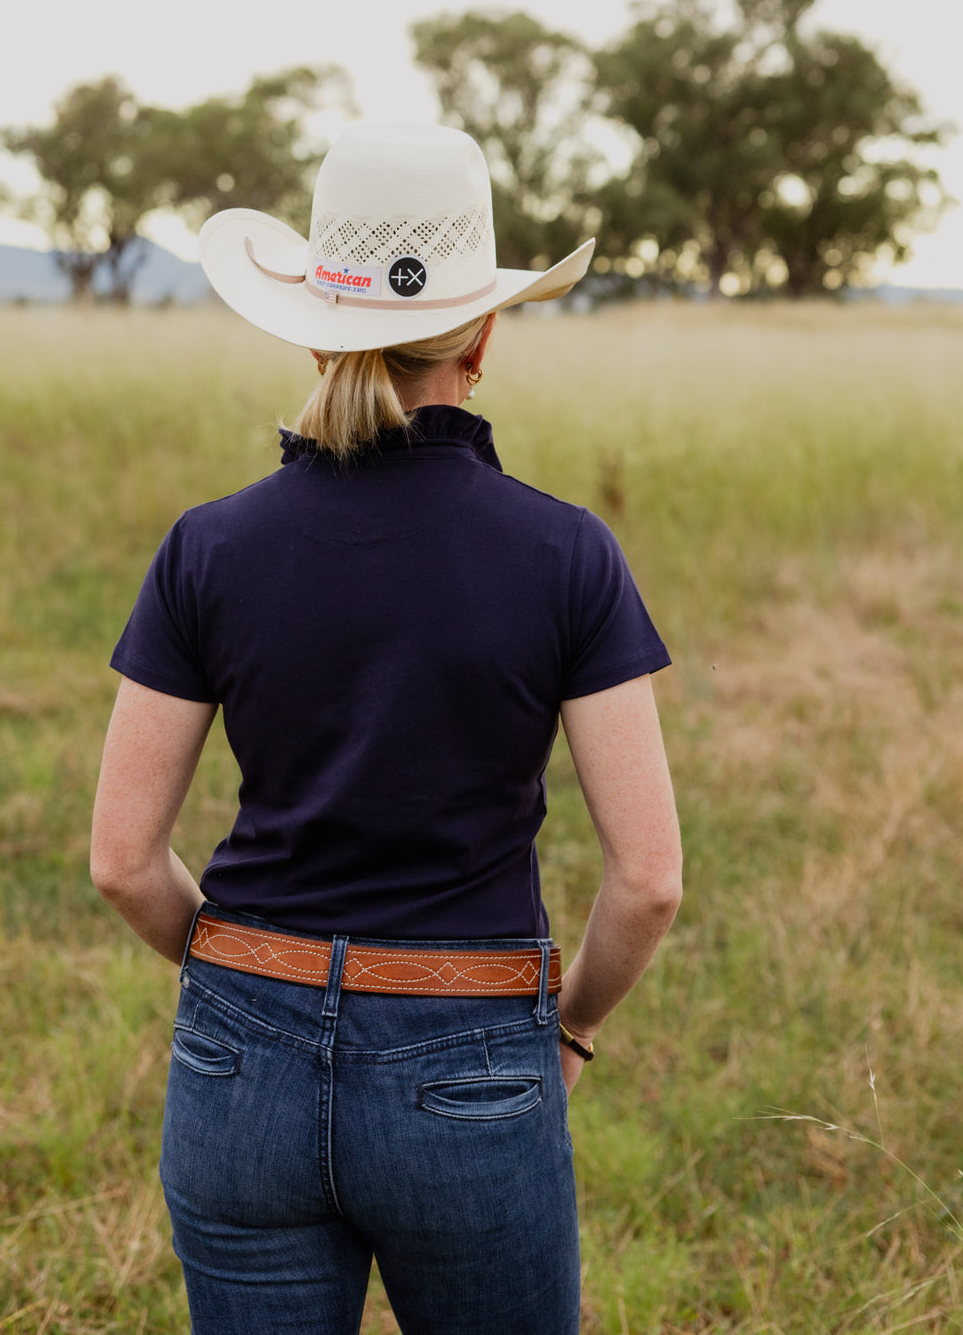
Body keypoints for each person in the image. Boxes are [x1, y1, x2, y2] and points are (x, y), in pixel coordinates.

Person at [90, 122, 683, 1335]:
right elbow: (651, 882)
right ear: (485, 334)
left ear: (315, 327)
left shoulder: (209, 546)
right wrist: (566, 1034)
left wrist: (250, 985)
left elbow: (121, 862)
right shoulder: (567, 553)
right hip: (471, 1058)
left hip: (236, 1063)